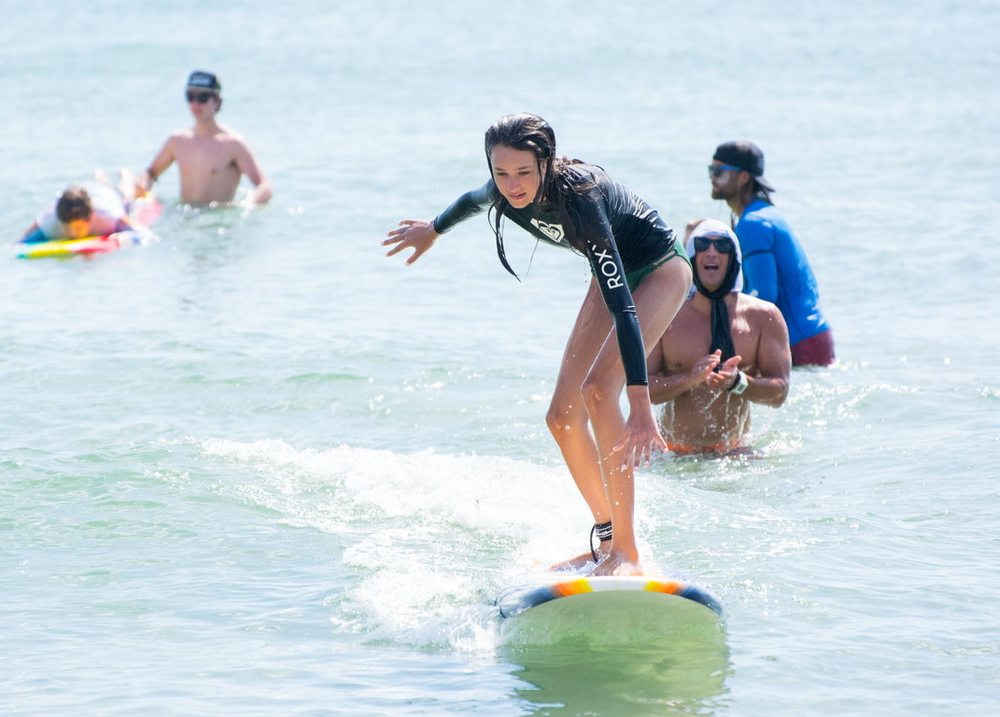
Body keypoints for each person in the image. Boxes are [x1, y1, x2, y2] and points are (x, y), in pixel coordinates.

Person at [384, 113, 693, 577]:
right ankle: (606, 539)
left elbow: (625, 309)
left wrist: (641, 405)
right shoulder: (503, 189)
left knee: (598, 390)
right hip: (608, 274)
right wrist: (433, 229)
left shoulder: (582, 198)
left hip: (660, 270)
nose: (512, 186)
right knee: (562, 418)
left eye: (524, 172)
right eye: (501, 173)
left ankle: (627, 553)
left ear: (546, 163)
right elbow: (470, 201)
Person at [648, 219, 791, 454]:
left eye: (722, 245)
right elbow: (642, 390)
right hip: (674, 454)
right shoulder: (666, 316)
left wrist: (738, 382)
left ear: (734, 257)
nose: (712, 252)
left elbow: (779, 393)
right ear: (691, 256)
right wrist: (689, 380)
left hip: (734, 454)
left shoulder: (764, 317)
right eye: (703, 245)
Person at [707, 140, 834, 366]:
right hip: (812, 338)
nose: (712, 177)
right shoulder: (765, 214)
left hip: (797, 343)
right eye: (711, 170)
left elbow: (764, 295)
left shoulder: (753, 224)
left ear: (743, 177)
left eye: (719, 171)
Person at [137, 71, 272, 206]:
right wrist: (142, 193)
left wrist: (247, 205)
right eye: (190, 97)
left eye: (202, 98)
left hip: (217, 216)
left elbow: (264, 186)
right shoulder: (177, 140)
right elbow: (150, 173)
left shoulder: (234, 144)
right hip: (184, 215)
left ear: (217, 101)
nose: (195, 104)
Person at [20, 179, 152, 243]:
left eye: (77, 228)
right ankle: (99, 177)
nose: (73, 234)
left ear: (90, 218)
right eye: (67, 229)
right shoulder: (51, 220)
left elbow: (145, 234)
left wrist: (124, 237)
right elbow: (22, 241)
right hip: (79, 193)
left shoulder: (108, 216)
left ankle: (126, 178)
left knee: (128, 196)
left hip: (108, 195)